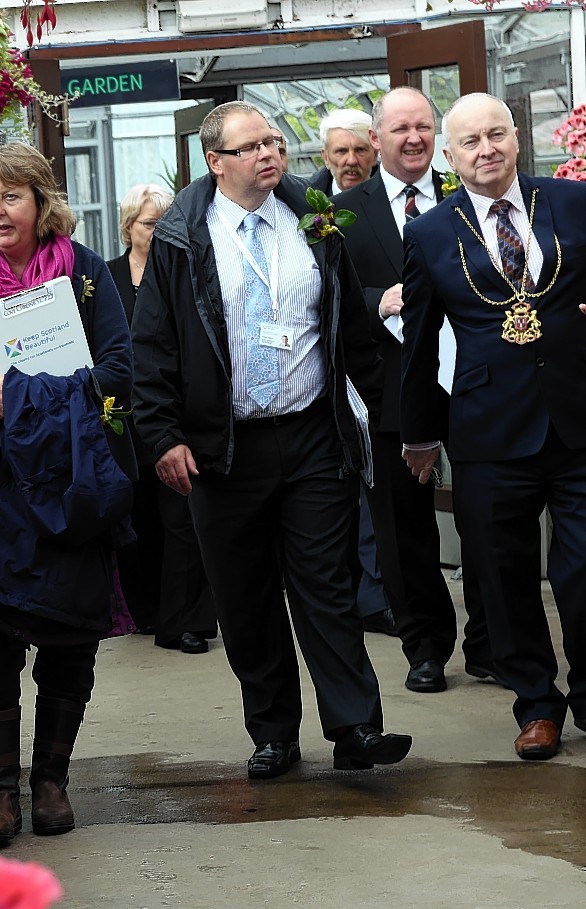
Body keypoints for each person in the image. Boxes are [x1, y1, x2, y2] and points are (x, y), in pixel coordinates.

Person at [131, 100, 413, 780]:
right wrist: (163, 434)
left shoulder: (313, 216)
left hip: (313, 433)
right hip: (224, 448)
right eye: (252, 145)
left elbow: (345, 320)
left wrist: (376, 413)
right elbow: (153, 345)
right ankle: (274, 732)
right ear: (215, 162)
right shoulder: (179, 237)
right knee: (245, 596)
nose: (270, 154)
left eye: (275, 141)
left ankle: (356, 727)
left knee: (326, 586)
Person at [0, 142, 133, 845]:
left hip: (69, 484)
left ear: (43, 204)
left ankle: (51, 785)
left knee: (71, 640)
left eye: (11, 196)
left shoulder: (86, 274)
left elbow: (121, 366)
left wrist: (45, 396)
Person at [400, 92, 586, 761]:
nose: (486, 150)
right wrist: (418, 434)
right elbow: (418, 342)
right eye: (471, 142)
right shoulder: (429, 233)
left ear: (516, 139)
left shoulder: (572, 202)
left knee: (581, 569)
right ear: (451, 157)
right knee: (504, 579)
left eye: (496, 136)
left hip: (577, 415)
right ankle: (537, 704)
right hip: (485, 428)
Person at [334, 85, 496, 694]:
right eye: (400, 128)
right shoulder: (350, 211)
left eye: (424, 127)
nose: (413, 139)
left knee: (487, 518)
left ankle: (489, 643)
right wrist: (380, 301)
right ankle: (424, 646)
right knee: (403, 531)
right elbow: (336, 301)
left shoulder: (468, 197)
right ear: (377, 140)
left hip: (476, 386)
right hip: (390, 390)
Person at [110, 183, 217, 656]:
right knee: (136, 518)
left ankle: (187, 621)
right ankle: (143, 610)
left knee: (182, 519)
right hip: (121, 418)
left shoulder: (183, 270)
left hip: (174, 414)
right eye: (149, 224)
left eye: (163, 223)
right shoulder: (106, 278)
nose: (157, 232)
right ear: (129, 227)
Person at [307, 109, 375, 195]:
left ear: (375, 155)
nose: (352, 161)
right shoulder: (304, 202)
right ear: (326, 158)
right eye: (341, 151)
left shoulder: (393, 192)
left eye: (360, 150)